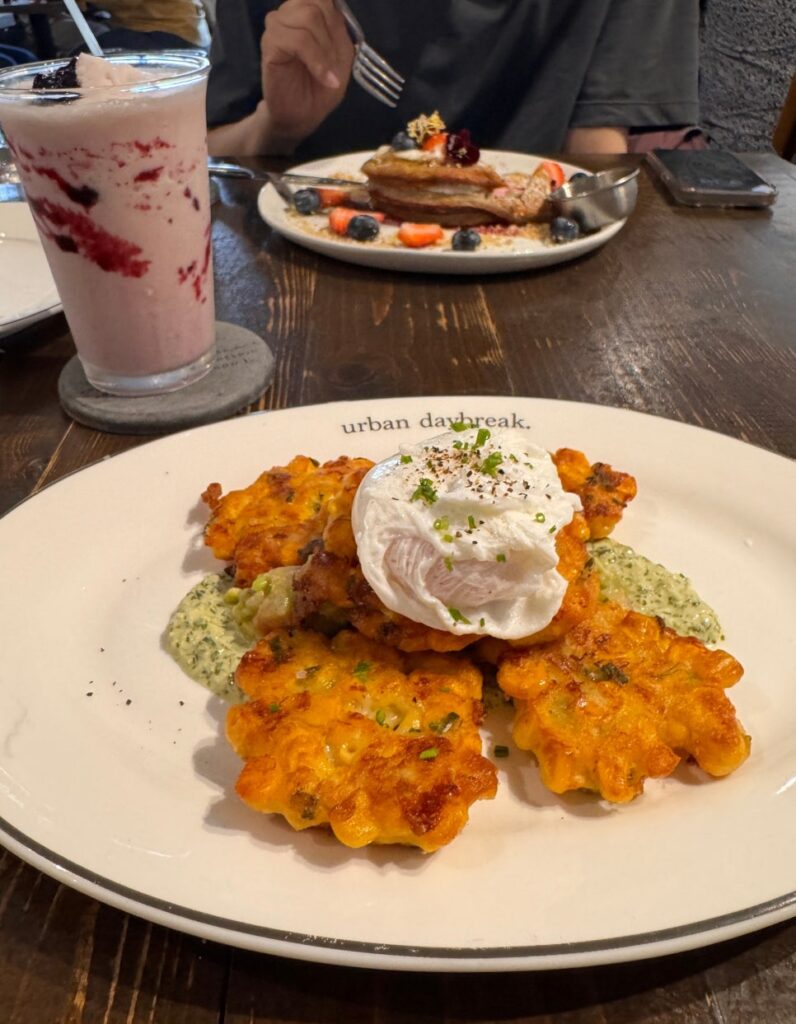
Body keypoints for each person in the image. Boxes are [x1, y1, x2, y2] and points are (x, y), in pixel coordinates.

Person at [207, 0, 701, 158]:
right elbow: (208, 149)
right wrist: (278, 125)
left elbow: (597, 156)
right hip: (306, 273)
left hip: (534, 277)